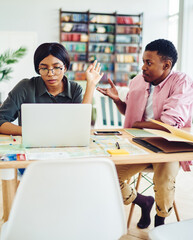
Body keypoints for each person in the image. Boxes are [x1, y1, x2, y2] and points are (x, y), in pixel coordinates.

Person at [97, 39, 193, 228]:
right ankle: (142, 201)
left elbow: (170, 122)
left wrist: (138, 124)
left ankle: (160, 221)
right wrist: (118, 101)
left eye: (148, 62)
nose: (143, 67)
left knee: (164, 180)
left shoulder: (182, 81)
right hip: (138, 145)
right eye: (143, 61)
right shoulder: (138, 81)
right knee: (105, 175)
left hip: (168, 147)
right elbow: (131, 112)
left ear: (166, 65)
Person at [0, 42, 103, 135]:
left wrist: (91, 84)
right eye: (44, 68)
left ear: (65, 68)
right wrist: (28, 132)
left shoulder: (75, 89)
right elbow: (1, 120)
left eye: (57, 67)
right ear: (38, 69)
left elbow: (82, 124)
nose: (50, 74)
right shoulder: (25, 87)